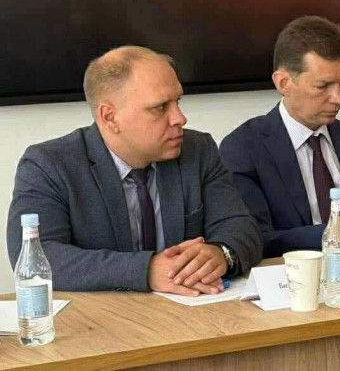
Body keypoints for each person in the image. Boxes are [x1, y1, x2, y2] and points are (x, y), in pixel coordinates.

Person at [7, 46, 263, 296]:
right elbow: (35, 256)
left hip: (191, 313)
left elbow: (240, 226)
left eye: (178, 102)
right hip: (100, 318)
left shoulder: (198, 150)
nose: (180, 118)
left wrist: (220, 254)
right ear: (109, 117)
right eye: (160, 107)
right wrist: (146, 270)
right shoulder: (50, 165)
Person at [220, 16, 340, 258]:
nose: (338, 98)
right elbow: (253, 240)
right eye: (323, 86)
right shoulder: (243, 149)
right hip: (296, 273)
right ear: (283, 83)